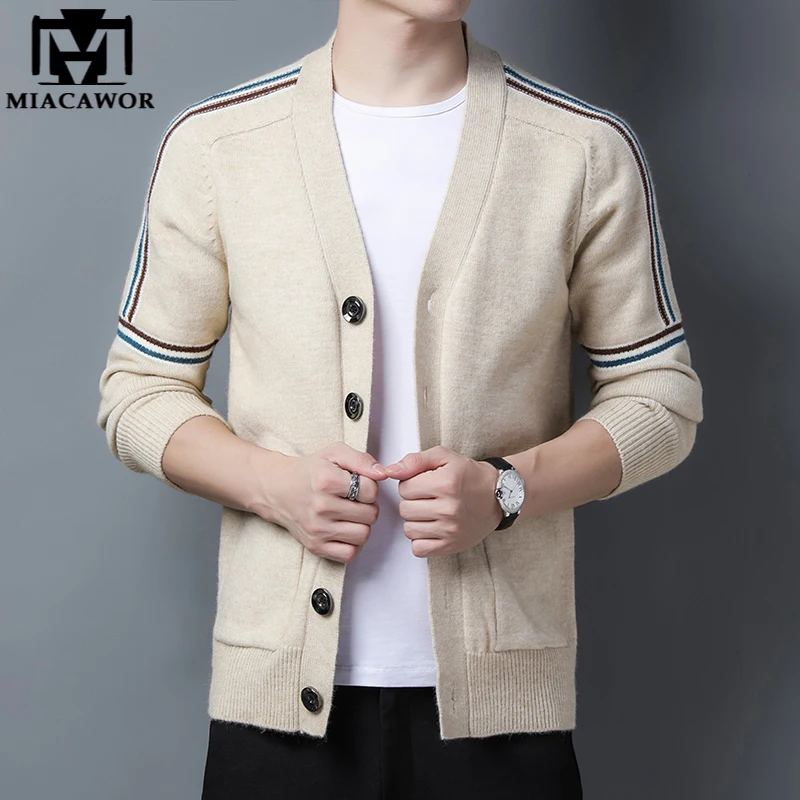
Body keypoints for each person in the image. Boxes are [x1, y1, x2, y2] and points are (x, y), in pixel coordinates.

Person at [97, 0, 704, 797]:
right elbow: (138, 389)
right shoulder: (217, 145)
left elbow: (660, 397)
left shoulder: (581, 150)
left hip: (504, 718)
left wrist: (506, 489)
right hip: (275, 713)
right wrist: (274, 486)